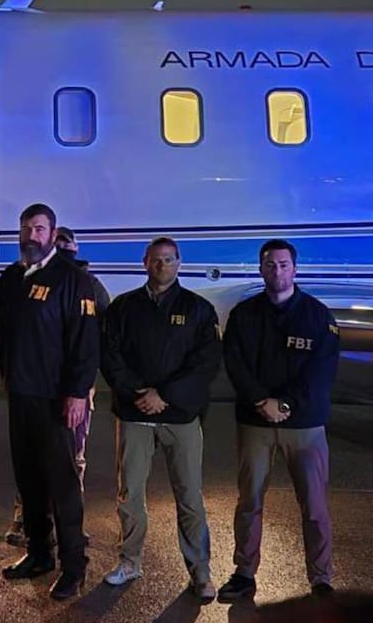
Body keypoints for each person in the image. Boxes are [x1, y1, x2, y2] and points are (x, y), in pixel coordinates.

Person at [0, 203, 99, 600]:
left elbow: (86, 343)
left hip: (56, 399)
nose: (31, 235)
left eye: (39, 229)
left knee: (62, 487)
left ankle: (74, 566)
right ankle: (39, 554)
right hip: (20, 395)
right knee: (29, 481)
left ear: (52, 234)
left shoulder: (72, 279)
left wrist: (77, 393)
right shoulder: (11, 278)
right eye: (26, 228)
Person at [218, 239, 340, 602]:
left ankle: (321, 579)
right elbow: (235, 363)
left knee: (314, 506)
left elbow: (321, 372)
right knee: (249, 502)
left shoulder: (318, 316)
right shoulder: (244, 315)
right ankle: (244, 573)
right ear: (261, 269)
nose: (277, 271)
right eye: (270, 265)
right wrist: (261, 401)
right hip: (255, 421)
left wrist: (283, 403)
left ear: (295, 269)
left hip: (304, 425)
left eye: (284, 265)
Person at [99, 237, 221, 600]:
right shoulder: (123, 307)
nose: (162, 265)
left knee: (189, 497)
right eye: (155, 259)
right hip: (134, 414)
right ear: (145, 262)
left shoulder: (199, 309)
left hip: (180, 417)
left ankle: (200, 572)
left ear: (179, 262)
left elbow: (205, 363)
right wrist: (138, 393)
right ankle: (129, 561)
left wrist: (164, 395)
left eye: (168, 259)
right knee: (129, 494)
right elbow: (110, 357)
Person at [2, 225, 108, 547]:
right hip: (31, 390)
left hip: (70, 393)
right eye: (57, 243)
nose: (62, 249)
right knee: (30, 465)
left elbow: (93, 339)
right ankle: (31, 531)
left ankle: (71, 539)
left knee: (70, 463)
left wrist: (79, 390)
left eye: (67, 244)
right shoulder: (21, 278)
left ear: (75, 248)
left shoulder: (85, 282)